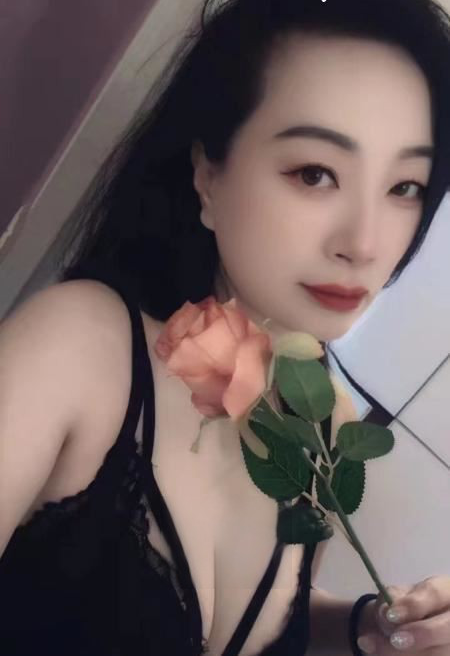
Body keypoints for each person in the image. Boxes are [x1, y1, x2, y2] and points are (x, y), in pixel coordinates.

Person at [1, 0, 449, 654]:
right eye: (315, 173)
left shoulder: (329, 426)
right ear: (208, 175)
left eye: (405, 186)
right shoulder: (78, 349)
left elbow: (270, 612)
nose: (365, 243)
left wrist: (367, 627)